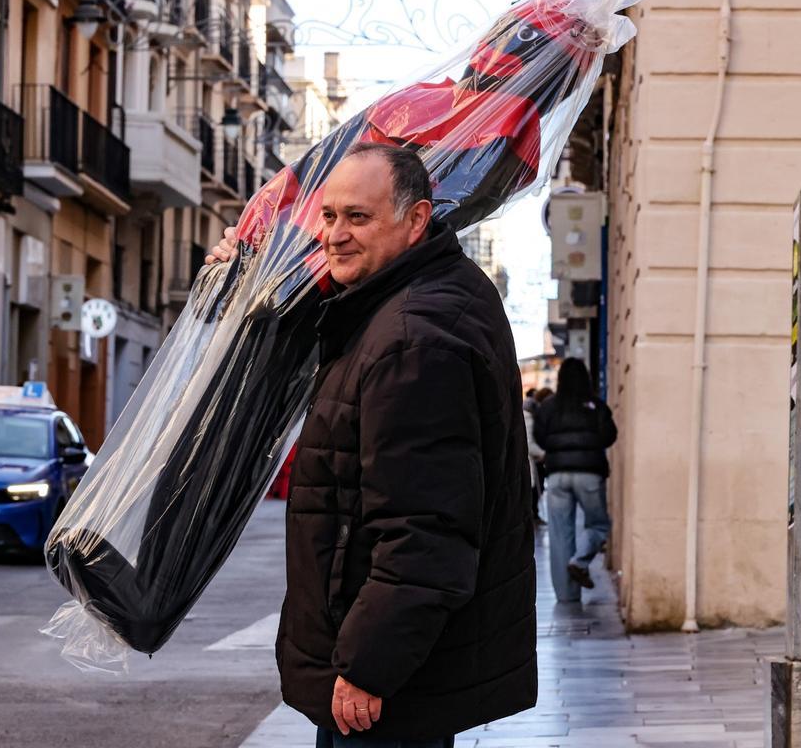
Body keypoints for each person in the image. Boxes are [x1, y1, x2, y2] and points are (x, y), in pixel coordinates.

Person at [208, 143, 536, 746]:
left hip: (381, 688)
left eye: (358, 217)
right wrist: (247, 278)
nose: (334, 235)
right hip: (392, 674)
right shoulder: (407, 303)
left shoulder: (414, 338)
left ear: (416, 220)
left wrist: (368, 667)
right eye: (328, 216)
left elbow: (425, 530)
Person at [531, 358, 618, 602]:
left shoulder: (548, 407)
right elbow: (609, 436)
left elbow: (540, 437)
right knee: (598, 525)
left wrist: (557, 450)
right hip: (589, 475)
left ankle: (567, 596)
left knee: (560, 535)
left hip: (557, 475)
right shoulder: (595, 406)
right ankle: (580, 561)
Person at [522, 387, 554, 525]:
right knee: (533, 489)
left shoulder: (530, 411)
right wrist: (543, 453)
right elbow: (528, 442)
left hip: (532, 460)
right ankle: (532, 516)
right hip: (531, 460)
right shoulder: (529, 415)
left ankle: (533, 515)